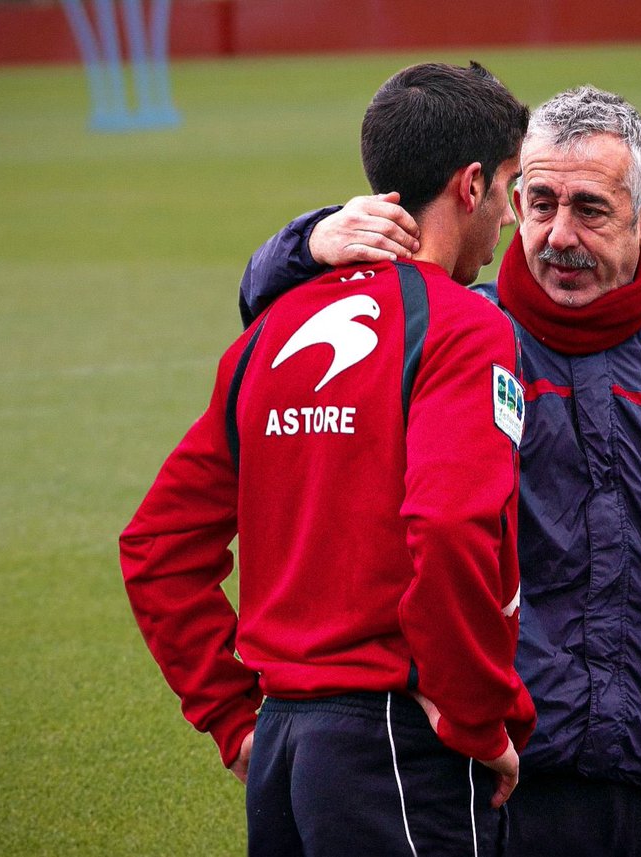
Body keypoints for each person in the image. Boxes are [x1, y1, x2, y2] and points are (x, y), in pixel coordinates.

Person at [239, 84, 641, 856]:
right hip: (511, 785)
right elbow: (275, 322)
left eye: (590, 210)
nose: (558, 235)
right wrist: (307, 242)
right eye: (538, 203)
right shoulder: (456, 343)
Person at [119, 61, 537, 857]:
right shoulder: (466, 327)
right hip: (399, 748)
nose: (515, 220)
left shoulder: (271, 332)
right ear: (472, 183)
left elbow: (155, 547)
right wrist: (479, 719)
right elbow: (450, 526)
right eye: (514, 188)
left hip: (283, 749)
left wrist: (234, 715)